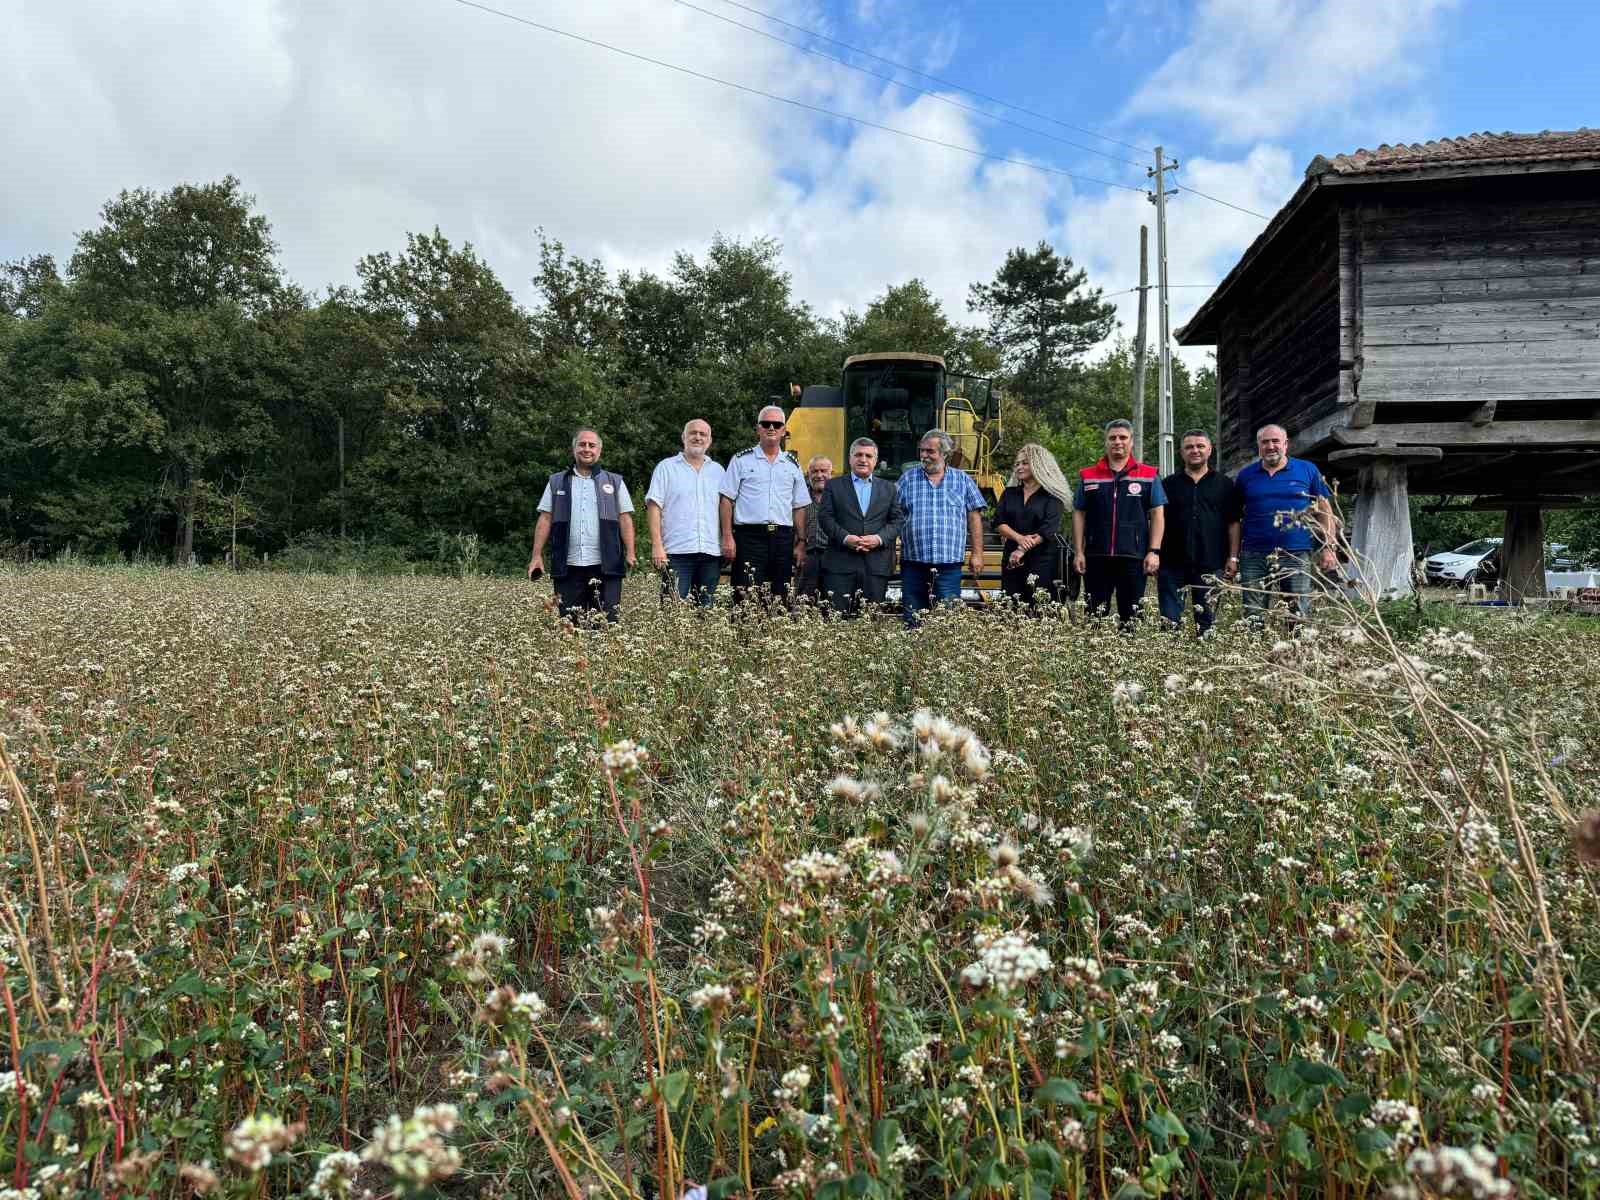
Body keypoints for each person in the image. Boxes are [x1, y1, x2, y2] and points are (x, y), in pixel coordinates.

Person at [1227, 423, 1337, 621]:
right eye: (1265, 442)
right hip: (1254, 555)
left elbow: (1325, 511)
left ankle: (1296, 651)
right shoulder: (1245, 476)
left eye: (1275, 441)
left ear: (1286, 444)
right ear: (1259, 446)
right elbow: (1235, 519)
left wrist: (1329, 548)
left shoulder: (1307, 470)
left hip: (1295, 552)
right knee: (1253, 615)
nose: (1271, 446)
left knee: (1298, 614)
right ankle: (1255, 650)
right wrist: (1233, 557)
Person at [528, 428, 636, 623]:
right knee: (569, 627)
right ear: (574, 449)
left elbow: (625, 518)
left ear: (599, 451)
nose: (587, 449)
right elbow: (545, 519)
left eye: (592, 445)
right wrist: (536, 556)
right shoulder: (556, 481)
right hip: (567, 566)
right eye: (582, 444)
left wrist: (630, 552)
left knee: (606, 626)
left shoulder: (615, 481)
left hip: (607, 566)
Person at [1072, 419, 1165, 627]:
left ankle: (1129, 656)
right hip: (1096, 556)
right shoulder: (1088, 476)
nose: (1117, 442)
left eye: (1123, 437)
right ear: (1106, 442)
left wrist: (1154, 551)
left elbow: (1158, 514)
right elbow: (1079, 513)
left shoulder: (1149, 475)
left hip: (1133, 556)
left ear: (1131, 442)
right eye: (1112, 438)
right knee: (1094, 616)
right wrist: (1078, 551)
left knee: (1131, 617)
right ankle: (1095, 655)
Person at [719, 404, 811, 606]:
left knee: (781, 597)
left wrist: (801, 542)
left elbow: (799, 507)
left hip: (782, 539)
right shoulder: (741, 460)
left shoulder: (793, 465)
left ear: (784, 430)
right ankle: (745, 637)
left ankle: (775, 636)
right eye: (766, 423)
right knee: (745, 595)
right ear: (758, 428)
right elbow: (727, 500)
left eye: (777, 424)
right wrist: (727, 537)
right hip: (749, 537)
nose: (771, 428)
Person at [896, 428, 986, 626]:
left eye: (930, 451)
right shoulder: (907, 479)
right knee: (913, 619)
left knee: (947, 621)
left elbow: (974, 518)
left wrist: (977, 554)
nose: (924, 455)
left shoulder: (963, 480)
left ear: (945, 454)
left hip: (949, 565)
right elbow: (894, 515)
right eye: (922, 451)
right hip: (913, 563)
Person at [1158, 430, 1240, 635]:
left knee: (1207, 626)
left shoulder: (1225, 484)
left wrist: (1233, 557)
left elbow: (1233, 523)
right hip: (1171, 564)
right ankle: (1169, 663)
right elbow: (1157, 521)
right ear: (1181, 452)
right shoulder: (1168, 484)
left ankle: (1205, 661)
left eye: (1200, 446)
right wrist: (1154, 553)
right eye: (1189, 447)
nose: (1195, 450)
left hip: (1211, 563)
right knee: (1169, 624)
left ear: (1209, 450)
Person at [817, 438, 904, 616]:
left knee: (870, 622)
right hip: (840, 566)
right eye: (858, 455)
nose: (863, 459)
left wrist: (878, 539)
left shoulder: (889, 488)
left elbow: (897, 521)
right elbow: (825, 517)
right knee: (836, 620)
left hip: (876, 567)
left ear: (875, 461)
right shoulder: (833, 486)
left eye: (868, 456)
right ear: (850, 459)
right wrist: (845, 538)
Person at [645, 419, 726, 607]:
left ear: (710, 441)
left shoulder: (719, 471)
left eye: (703, 434)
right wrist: (657, 545)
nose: (697, 437)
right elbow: (654, 506)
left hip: (711, 553)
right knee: (673, 612)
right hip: (676, 552)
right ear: (683, 437)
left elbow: (725, 509)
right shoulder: (666, 467)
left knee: (706, 612)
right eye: (693, 433)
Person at [993, 443, 1070, 609]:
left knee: (1040, 606)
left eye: (1025, 463)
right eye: (1017, 463)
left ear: (1038, 465)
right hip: (1012, 560)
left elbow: (1048, 529)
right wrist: (1019, 539)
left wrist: (1021, 550)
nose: (1019, 467)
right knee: (1010, 606)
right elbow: (999, 522)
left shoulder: (1053, 496)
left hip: (1042, 560)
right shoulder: (1009, 493)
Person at [794, 455, 834, 604]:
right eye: (814, 471)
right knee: (803, 603)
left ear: (831, 473)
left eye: (823, 471)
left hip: (832, 556)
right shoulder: (799, 496)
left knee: (831, 604)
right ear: (808, 474)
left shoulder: (839, 496)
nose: (819, 475)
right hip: (806, 556)